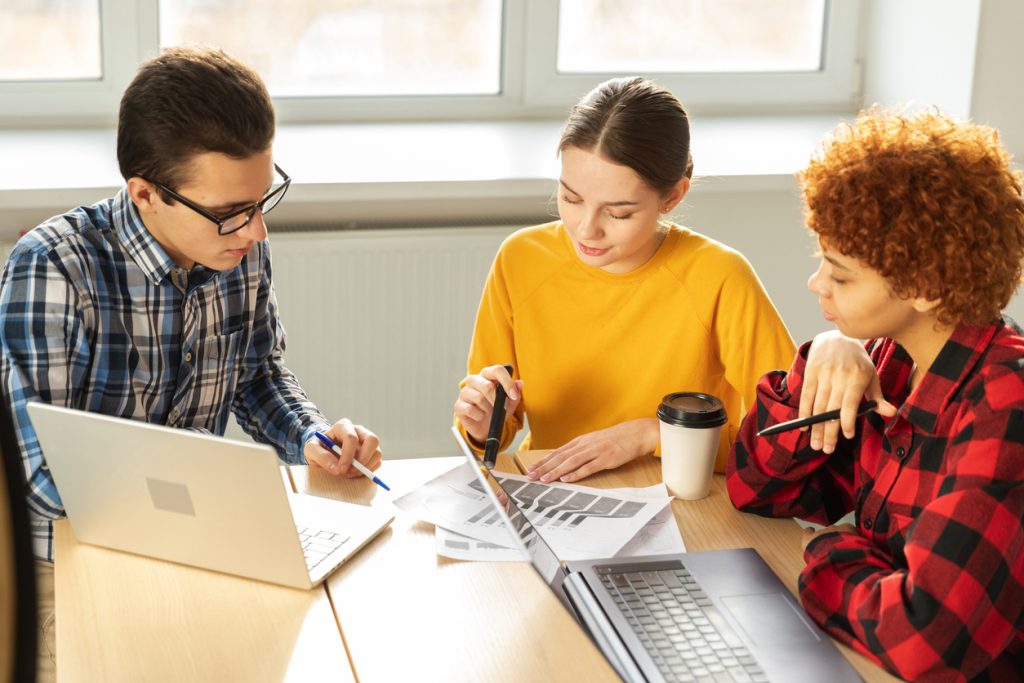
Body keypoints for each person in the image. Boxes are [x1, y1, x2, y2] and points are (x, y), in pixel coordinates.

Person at [0, 46, 383, 681]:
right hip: (70, 566)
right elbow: (36, 470)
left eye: (264, 200)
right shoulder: (54, 266)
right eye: (233, 213)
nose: (256, 231)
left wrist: (312, 438)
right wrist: (197, 503)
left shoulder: (237, 245)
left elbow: (257, 375)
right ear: (146, 193)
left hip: (200, 547)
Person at [727, 108, 1024, 679]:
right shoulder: (893, 356)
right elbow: (757, 488)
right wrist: (819, 358)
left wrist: (827, 554)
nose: (816, 284)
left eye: (840, 275)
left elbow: (924, 639)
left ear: (925, 288)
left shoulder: (1004, 407)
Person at [454, 76, 795, 484]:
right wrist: (480, 421)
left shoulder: (720, 277)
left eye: (618, 213)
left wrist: (654, 434)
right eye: (571, 199)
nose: (585, 230)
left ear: (672, 197)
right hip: (552, 492)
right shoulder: (520, 258)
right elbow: (495, 428)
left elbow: (791, 439)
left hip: (682, 503)